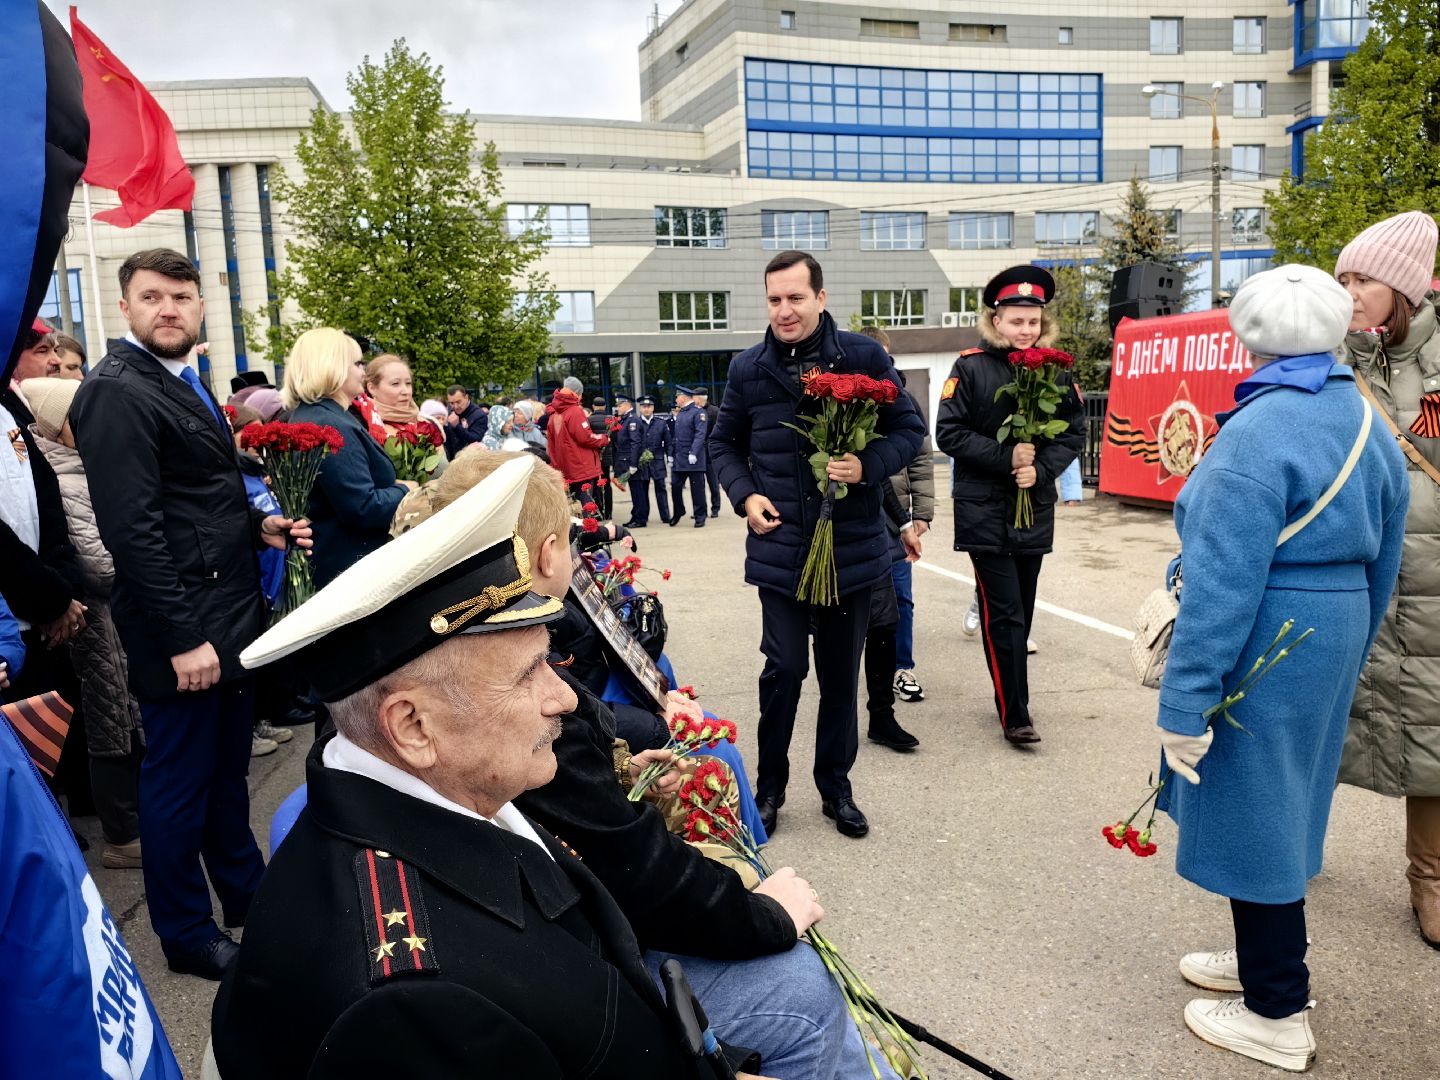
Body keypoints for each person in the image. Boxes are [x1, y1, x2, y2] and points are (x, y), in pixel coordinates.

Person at [212, 456, 770, 1080]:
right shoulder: (412, 1007)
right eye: (529, 673)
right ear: (413, 727)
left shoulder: (453, 788)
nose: (562, 699)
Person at [401, 449, 900, 1080]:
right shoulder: (481, 682)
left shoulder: (463, 648)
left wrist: (621, 770)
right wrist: (768, 917)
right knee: (802, 989)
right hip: (573, 973)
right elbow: (634, 871)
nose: (558, 693)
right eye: (535, 672)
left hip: (544, 939)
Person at [1157, 265, 1408, 1071]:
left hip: (1267, 630)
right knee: (1287, 803)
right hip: (1332, 629)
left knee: (1254, 808)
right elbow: (1390, 550)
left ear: (1248, 336)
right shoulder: (1362, 415)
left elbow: (1219, 590)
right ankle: (1268, 955)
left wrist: (1182, 702)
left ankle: (1276, 1009)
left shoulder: (1254, 435)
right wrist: (1351, 645)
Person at [70, 247, 312, 980]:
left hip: (228, 617)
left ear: (200, 307)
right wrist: (182, 641)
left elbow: (198, 497)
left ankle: (248, 897)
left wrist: (259, 527)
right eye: (152, 297)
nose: (168, 309)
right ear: (127, 307)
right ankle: (185, 934)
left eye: (181, 296)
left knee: (224, 778)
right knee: (177, 788)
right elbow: (132, 532)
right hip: (185, 630)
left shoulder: (184, 380)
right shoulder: (116, 390)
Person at [710, 251, 925, 839]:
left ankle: (836, 787)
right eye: (775, 299)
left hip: (849, 552)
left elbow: (909, 430)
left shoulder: (863, 356)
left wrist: (868, 465)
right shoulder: (748, 368)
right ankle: (770, 787)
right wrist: (746, 496)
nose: (785, 310)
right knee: (782, 669)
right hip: (780, 550)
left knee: (838, 679)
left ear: (821, 298)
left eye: (796, 298)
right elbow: (722, 444)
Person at [1332, 210, 1440, 951]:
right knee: (1317, 721)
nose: (1348, 293)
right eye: (1340, 279)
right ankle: (1290, 851)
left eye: (1362, 279)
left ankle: (1429, 880)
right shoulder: (1334, 359)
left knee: (1432, 734)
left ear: (1401, 288)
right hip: (1355, 575)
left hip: (1432, 581)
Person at [935, 265, 1084, 746]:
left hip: (1033, 506)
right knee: (1004, 613)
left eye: (1033, 322)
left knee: (1023, 608)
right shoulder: (970, 367)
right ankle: (1015, 713)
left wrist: (1040, 470)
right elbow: (949, 433)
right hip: (984, 509)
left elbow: (1074, 431)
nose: (1025, 330)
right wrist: (1006, 458)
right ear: (996, 320)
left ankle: (1010, 693)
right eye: (1016, 321)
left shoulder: (1055, 371)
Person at [24, 376, 146, 869]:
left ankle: (136, 824)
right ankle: (122, 835)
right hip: (97, 626)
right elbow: (99, 564)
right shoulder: (66, 477)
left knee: (127, 719)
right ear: (58, 429)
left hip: (118, 623)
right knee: (110, 726)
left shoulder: (87, 469)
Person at [283, 328, 414, 589]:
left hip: (333, 564)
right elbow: (362, 507)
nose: (363, 372)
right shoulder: (331, 423)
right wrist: (404, 489)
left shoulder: (314, 415)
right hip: (350, 572)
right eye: (356, 363)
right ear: (331, 367)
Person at [856, 327, 937, 703]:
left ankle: (901, 668)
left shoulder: (902, 397)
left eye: (884, 357)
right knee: (858, 602)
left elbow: (920, 457)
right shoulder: (843, 398)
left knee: (900, 597)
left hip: (897, 515)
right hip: (857, 515)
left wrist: (920, 512)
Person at [357, 354, 446, 457]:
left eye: (408, 383)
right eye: (395, 384)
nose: (406, 391)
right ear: (372, 388)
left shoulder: (426, 424)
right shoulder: (362, 425)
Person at [546, 375, 610, 501]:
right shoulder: (574, 411)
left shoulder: (554, 414)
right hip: (581, 468)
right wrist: (603, 438)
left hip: (564, 469)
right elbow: (585, 437)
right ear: (577, 393)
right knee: (586, 507)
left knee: (572, 509)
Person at [624, 393, 671, 527]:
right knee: (643, 490)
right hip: (642, 462)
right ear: (640, 408)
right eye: (644, 406)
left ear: (653, 408)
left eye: (649, 406)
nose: (646, 409)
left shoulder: (661, 423)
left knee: (661, 489)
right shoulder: (636, 422)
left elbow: (668, 442)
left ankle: (665, 516)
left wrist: (670, 456)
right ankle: (644, 516)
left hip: (657, 461)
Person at [668, 385, 710, 528]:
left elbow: (700, 434)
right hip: (680, 457)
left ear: (683, 397)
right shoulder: (681, 412)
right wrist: (671, 454)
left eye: (677, 397)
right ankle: (679, 511)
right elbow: (677, 437)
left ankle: (700, 516)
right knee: (675, 486)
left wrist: (694, 452)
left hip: (694, 458)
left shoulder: (698, 412)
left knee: (697, 489)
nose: (675, 399)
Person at [692, 387, 723, 517]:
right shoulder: (693, 412)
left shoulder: (714, 411)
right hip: (698, 453)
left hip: (710, 454)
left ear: (699, 398)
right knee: (698, 485)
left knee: (713, 484)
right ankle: (700, 510)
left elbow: (718, 432)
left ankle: (715, 508)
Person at [442, 382, 486, 458]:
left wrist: (457, 427)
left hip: (468, 461)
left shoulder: (479, 415)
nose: (455, 406)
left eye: (458, 402)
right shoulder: (448, 411)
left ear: (466, 397)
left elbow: (475, 441)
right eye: (451, 403)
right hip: (449, 459)